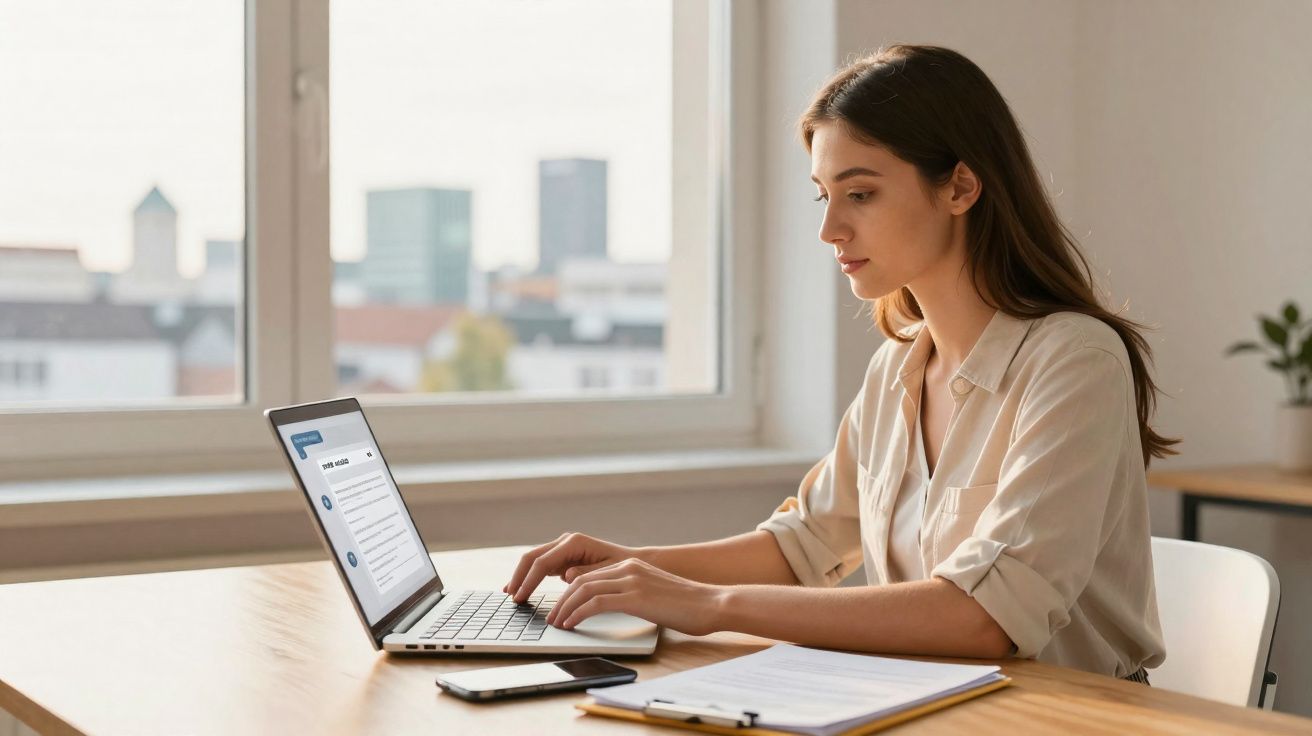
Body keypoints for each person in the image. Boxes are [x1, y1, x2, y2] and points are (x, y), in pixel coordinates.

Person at [503, 44, 1175, 683]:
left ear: (961, 187)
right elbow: (805, 544)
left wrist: (709, 606)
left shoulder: (1075, 361)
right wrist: (632, 567)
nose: (830, 230)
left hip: (1070, 715)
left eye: (861, 194)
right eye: (824, 195)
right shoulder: (897, 369)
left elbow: (985, 618)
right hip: (936, 702)